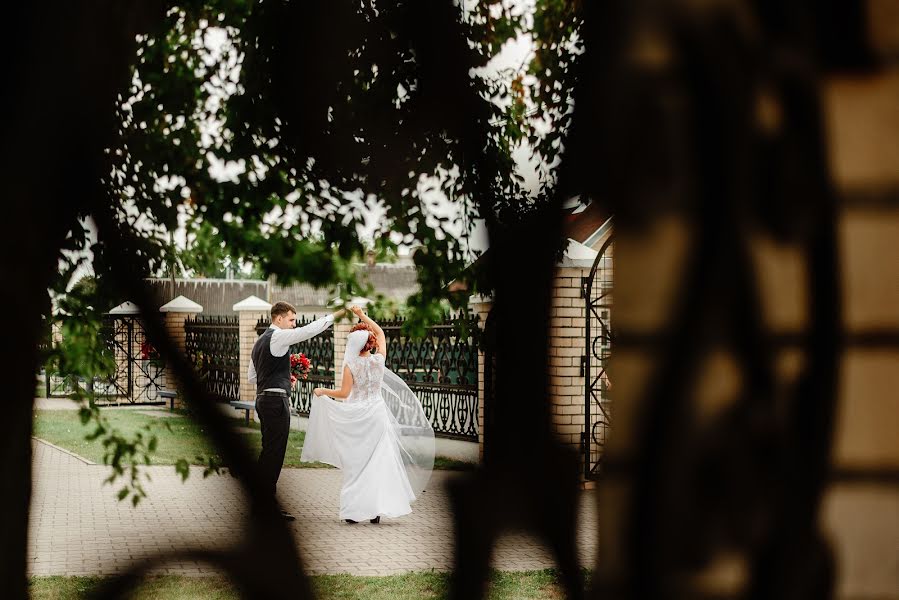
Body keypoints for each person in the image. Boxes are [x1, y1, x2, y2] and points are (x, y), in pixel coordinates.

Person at [303, 306, 435, 524]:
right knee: (379, 462)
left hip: (358, 416)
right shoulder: (379, 360)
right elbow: (381, 333)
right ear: (370, 343)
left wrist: (322, 391)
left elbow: (344, 393)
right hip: (377, 414)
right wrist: (363, 315)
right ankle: (375, 510)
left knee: (357, 463)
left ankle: (354, 511)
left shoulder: (350, 365)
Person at [248, 301, 343, 521]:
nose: (293, 324)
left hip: (263, 399)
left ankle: (261, 503)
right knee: (274, 454)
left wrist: (280, 376)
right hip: (275, 402)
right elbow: (307, 331)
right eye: (291, 319)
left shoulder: (258, 343)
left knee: (268, 451)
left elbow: (252, 378)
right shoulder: (278, 336)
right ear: (278, 319)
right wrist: (333, 316)